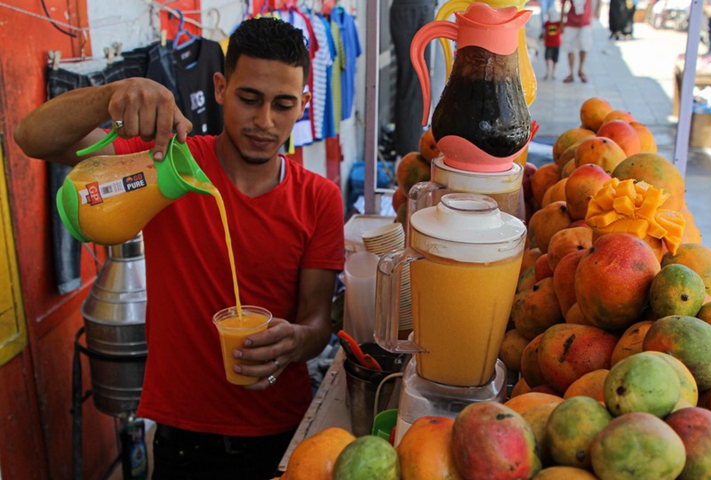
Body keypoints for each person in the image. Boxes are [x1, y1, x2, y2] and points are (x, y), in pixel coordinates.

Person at [14, 18, 344, 479]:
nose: (265, 122)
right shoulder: (169, 166)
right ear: (220, 88)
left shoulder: (320, 198)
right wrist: (112, 93)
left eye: (283, 104)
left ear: (304, 104)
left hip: (282, 434)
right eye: (249, 99)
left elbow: (316, 318)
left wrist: (296, 341)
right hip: (183, 441)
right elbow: (32, 137)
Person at [390, 0, 437, 158]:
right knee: (414, 82)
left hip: (418, 8)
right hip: (412, 8)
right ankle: (410, 154)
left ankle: (409, 152)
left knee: (416, 82)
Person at [561, 0, 594, 83]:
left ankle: (581, 70)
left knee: (584, 46)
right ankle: (571, 73)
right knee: (569, 47)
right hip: (571, 21)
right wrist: (562, 20)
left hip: (585, 21)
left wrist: (597, 11)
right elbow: (563, 3)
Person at [543, 8, 563, 80]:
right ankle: (548, 72)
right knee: (547, 58)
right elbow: (545, 32)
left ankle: (553, 73)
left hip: (556, 44)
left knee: (555, 59)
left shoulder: (558, 23)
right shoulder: (547, 23)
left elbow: (562, 26)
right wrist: (544, 39)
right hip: (548, 44)